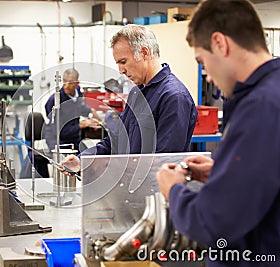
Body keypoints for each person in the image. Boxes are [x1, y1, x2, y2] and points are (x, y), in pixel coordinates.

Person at [156, 1, 280, 266]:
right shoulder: (272, 92)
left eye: (202, 61)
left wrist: (174, 191)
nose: (208, 77)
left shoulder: (260, 106)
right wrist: (224, 171)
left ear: (220, 43)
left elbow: (214, 223)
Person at [61, 24, 197, 171]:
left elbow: (164, 162)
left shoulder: (173, 97)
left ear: (144, 53)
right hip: (131, 185)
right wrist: (82, 160)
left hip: (154, 190)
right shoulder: (136, 93)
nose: (121, 70)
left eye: (123, 62)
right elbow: (116, 139)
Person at [44, 68, 101, 152]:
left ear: (76, 83)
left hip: (74, 139)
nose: (66, 85)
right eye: (64, 81)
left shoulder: (78, 92)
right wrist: (81, 125)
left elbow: (78, 106)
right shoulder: (55, 101)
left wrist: (91, 110)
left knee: (90, 156)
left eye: (70, 82)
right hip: (59, 141)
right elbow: (60, 131)